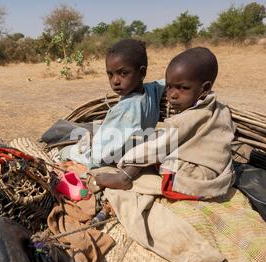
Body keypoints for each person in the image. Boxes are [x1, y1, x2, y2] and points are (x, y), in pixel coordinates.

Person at [95, 47, 235, 200]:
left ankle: (124, 177)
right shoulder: (220, 109)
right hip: (218, 174)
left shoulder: (188, 118)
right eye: (169, 87)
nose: (172, 95)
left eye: (183, 88)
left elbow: (157, 148)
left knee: (149, 142)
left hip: (192, 180)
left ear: (205, 88)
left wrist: (128, 159)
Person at [59, 39, 165, 169]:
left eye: (123, 73)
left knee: (62, 148)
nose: (115, 81)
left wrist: (69, 153)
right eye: (110, 74)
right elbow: (165, 82)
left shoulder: (125, 110)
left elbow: (98, 157)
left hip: (113, 156)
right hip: (131, 146)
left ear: (142, 73)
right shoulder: (152, 91)